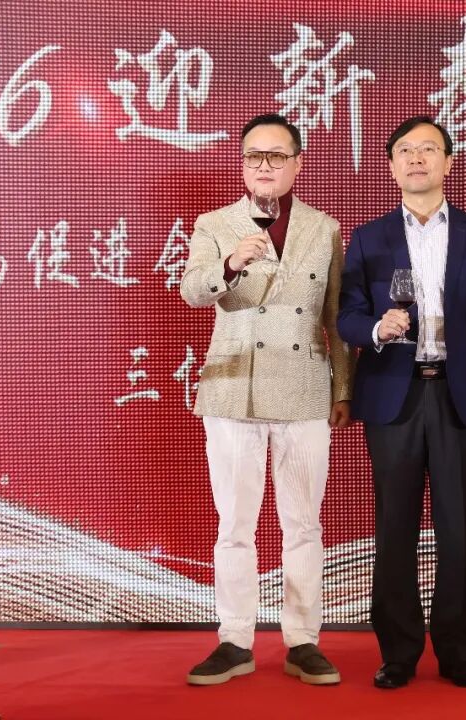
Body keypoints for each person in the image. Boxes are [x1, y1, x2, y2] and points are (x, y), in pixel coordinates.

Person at [337, 116, 466, 690]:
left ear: (449, 162)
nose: (417, 159)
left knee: (458, 528)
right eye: (406, 151)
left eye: (429, 150)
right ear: (391, 166)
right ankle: (398, 651)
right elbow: (345, 316)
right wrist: (376, 328)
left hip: (462, 394)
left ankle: (458, 652)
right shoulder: (368, 238)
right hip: (395, 393)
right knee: (395, 526)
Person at [179, 113, 353, 686]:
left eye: (277, 156)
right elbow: (191, 291)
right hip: (234, 386)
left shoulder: (324, 228)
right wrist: (231, 263)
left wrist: (343, 388)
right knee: (235, 523)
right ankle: (234, 639)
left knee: (303, 523)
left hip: (303, 385)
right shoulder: (215, 223)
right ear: (243, 165)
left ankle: (303, 640)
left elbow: (335, 315)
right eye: (254, 156)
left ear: (297, 164)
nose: (264, 166)